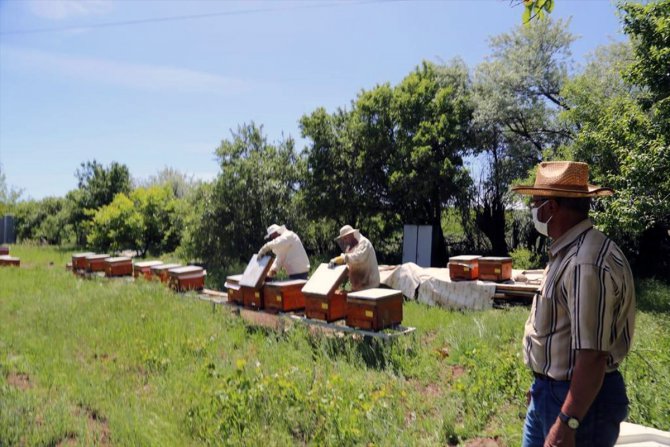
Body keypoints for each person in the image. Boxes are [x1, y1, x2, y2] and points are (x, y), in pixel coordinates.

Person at [511, 161, 636, 447]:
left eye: (535, 203)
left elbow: (591, 356)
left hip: (579, 404)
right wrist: (542, 383)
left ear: (551, 208)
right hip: (553, 393)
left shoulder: (586, 262)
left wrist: (568, 420)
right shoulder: (568, 253)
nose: (533, 211)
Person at [329, 225, 380, 292]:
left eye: (345, 238)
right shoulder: (349, 248)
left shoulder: (364, 243)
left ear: (351, 234)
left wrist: (344, 258)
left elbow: (358, 258)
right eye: (343, 239)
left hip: (370, 285)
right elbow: (349, 265)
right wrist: (338, 267)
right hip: (358, 286)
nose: (344, 241)